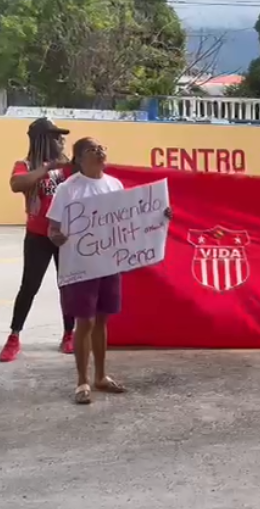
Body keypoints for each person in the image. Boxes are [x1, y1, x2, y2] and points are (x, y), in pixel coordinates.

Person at [48, 138, 170, 404]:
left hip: (109, 264)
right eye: (92, 149)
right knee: (85, 321)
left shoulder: (114, 185)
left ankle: (101, 376)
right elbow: (52, 227)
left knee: (102, 320)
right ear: (78, 159)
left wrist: (160, 215)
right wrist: (56, 237)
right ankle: (82, 381)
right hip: (82, 266)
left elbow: (131, 221)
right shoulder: (68, 190)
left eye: (102, 148)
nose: (100, 152)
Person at [0, 118, 75, 363]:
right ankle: (14, 337)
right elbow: (15, 184)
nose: (60, 140)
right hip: (38, 236)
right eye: (54, 136)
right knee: (29, 286)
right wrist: (46, 168)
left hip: (66, 237)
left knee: (69, 286)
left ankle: (68, 334)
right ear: (41, 139)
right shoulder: (25, 165)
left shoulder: (70, 168)